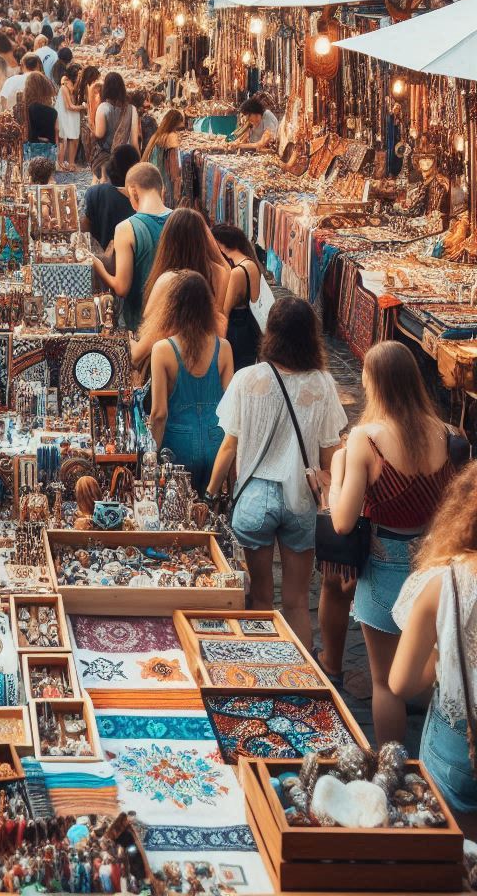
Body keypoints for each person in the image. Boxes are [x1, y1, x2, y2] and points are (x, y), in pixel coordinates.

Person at [327, 341, 455, 744]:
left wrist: (333, 480)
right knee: (425, 670)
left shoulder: (368, 439)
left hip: (382, 569)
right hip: (429, 568)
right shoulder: (448, 435)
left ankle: (392, 773)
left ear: (375, 384)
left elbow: (344, 522)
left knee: (384, 683)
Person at [206, 297, 347, 649]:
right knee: (298, 601)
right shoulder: (323, 384)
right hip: (300, 497)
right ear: (310, 337)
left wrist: (210, 494)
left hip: (253, 497)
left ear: (271, 333)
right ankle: (302, 676)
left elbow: (228, 446)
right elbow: (331, 454)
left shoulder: (246, 379)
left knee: (261, 598)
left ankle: (261, 672)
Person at [391, 462, 477, 819]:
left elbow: (402, 682)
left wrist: (445, 655)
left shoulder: (446, 582)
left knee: (451, 848)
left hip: (460, 741)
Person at [148, 271, 233, 494]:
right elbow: (231, 409)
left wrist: (149, 456)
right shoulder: (223, 348)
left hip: (177, 445)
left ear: (173, 306)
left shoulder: (163, 350)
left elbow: (159, 413)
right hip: (215, 442)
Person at [132, 209, 230, 368]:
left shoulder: (168, 279)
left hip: (173, 364)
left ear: (168, 241)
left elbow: (150, 324)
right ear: (203, 238)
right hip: (207, 362)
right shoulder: (219, 274)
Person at [92, 162, 172, 332]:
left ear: (133, 190)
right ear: (161, 189)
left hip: (142, 323)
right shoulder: (182, 219)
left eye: (129, 196)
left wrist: (98, 266)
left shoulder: (126, 228)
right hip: (178, 320)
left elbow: (121, 288)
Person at [212, 223, 262, 371]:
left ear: (220, 244)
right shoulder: (251, 263)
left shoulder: (237, 272)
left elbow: (225, 311)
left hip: (237, 331)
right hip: (251, 327)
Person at [81, 145, 139, 251]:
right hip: (131, 262)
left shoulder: (94, 192)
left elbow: (84, 230)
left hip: (98, 262)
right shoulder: (140, 199)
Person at [92, 72, 138, 182]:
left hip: (105, 156)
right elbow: (134, 141)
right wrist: (138, 161)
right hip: (124, 156)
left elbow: (100, 133)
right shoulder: (131, 109)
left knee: (102, 182)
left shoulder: (103, 108)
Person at [141, 108, 184, 207]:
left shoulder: (156, 136)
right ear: (176, 122)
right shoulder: (172, 137)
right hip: (165, 179)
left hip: (154, 176)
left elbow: (144, 157)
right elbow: (175, 164)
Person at [55, 63, 83, 171]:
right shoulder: (64, 87)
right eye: (78, 75)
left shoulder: (75, 86)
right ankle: (61, 164)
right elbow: (69, 106)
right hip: (65, 114)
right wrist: (83, 107)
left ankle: (71, 163)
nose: (80, 77)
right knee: (63, 139)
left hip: (74, 114)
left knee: (75, 138)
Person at [24, 71, 58, 145]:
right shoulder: (51, 112)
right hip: (48, 152)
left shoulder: (23, 109)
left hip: (28, 151)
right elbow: (56, 137)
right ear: (45, 88)